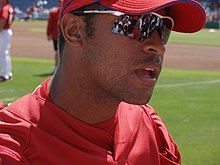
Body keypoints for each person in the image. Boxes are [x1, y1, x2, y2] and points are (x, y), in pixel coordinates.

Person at [0, 0, 206, 164]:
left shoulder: (149, 124)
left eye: (163, 28)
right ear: (74, 30)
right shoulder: (13, 149)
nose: (158, 46)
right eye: (135, 24)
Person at [46, 0, 63, 73]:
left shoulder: (54, 12)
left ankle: (57, 67)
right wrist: (48, 33)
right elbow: (50, 23)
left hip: (58, 35)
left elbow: (50, 24)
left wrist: (48, 33)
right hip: (60, 35)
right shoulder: (65, 12)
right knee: (59, 51)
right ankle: (57, 67)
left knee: (58, 51)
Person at [0, 0, 14, 82]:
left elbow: (3, 19)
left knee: (3, 53)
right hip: (6, 30)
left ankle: (4, 74)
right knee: (5, 53)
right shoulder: (9, 7)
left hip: (3, 31)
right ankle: (8, 73)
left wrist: (0, 29)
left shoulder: (5, 8)